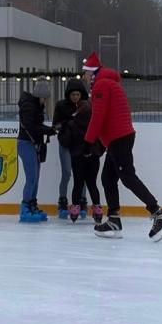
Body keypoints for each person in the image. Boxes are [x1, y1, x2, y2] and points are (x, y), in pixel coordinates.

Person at [84, 65, 162, 241]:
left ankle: (159, 214)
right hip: (118, 137)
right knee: (108, 178)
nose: (84, 77)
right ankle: (113, 221)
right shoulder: (110, 83)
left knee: (127, 176)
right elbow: (109, 115)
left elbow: (99, 115)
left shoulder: (101, 85)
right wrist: (102, 144)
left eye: (85, 73)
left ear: (92, 72)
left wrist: (88, 140)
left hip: (118, 137)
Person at [57, 84, 102, 223]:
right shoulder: (94, 124)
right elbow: (101, 140)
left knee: (78, 183)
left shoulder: (73, 123)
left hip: (77, 157)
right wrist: (98, 152)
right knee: (92, 183)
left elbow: (65, 140)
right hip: (93, 157)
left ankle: (75, 207)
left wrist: (61, 131)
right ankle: (97, 208)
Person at [16, 84, 54, 223]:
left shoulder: (37, 107)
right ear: (40, 96)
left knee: (35, 178)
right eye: (45, 98)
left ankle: (32, 205)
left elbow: (35, 126)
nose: (46, 101)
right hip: (26, 144)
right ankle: (25, 208)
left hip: (34, 145)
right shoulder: (29, 107)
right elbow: (30, 126)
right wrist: (47, 130)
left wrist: (48, 130)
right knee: (32, 177)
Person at [51, 79, 86, 218]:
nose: (75, 97)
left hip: (80, 145)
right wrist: (68, 121)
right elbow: (55, 125)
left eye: (77, 94)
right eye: (73, 95)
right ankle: (62, 200)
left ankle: (82, 201)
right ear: (68, 95)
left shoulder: (85, 106)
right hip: (65, 143)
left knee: (80, 174)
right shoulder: (61, 106)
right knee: (66, 172)